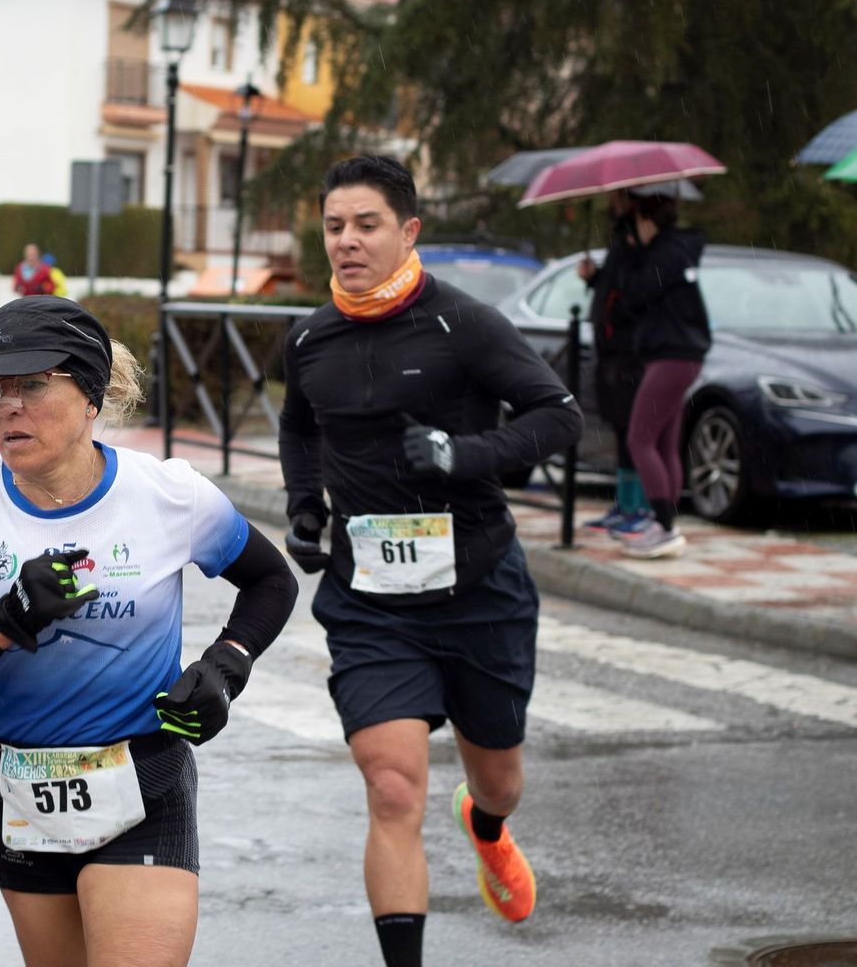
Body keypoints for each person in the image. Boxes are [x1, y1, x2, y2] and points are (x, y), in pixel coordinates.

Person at [0, 295, 296, 967]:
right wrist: (3, 623)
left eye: (34, 384)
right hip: (20, 787)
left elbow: (272, 581)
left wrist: (228, 662)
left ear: (92, 395)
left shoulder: (169, 494)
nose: (9, 405)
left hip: (144, 776)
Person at [278, 155, 582, 967]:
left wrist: (463, 453)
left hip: (480, 586)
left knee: (500, 781)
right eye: (335, 225)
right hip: (371, 599)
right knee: (390, 786)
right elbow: (300, 428)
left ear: (409, 231)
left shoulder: (465, 325)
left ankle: (485, 826)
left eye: (366, 224)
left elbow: (559, 416)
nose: (347, 241)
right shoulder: (309, 338)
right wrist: (305, 505)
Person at [616, 192, 710, 559]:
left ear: (646, 222)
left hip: (670, 355)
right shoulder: (679, 251)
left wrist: (630, 254)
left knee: (640, 439)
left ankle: (665, 526)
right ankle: (666, 522)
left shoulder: (662, 255)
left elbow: (636, 295)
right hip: (682, 354)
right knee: (665, 442)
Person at [577, 192, 650, 532]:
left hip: (631, 353)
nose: (612, 202)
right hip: (611, 352)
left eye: (619, 197)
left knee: (636, 431)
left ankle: (642, 507)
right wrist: (594, 278)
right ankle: (625, 502)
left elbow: (634, 291)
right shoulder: (623, 237)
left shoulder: (642, 239)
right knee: (621, 430)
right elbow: (614, 286)